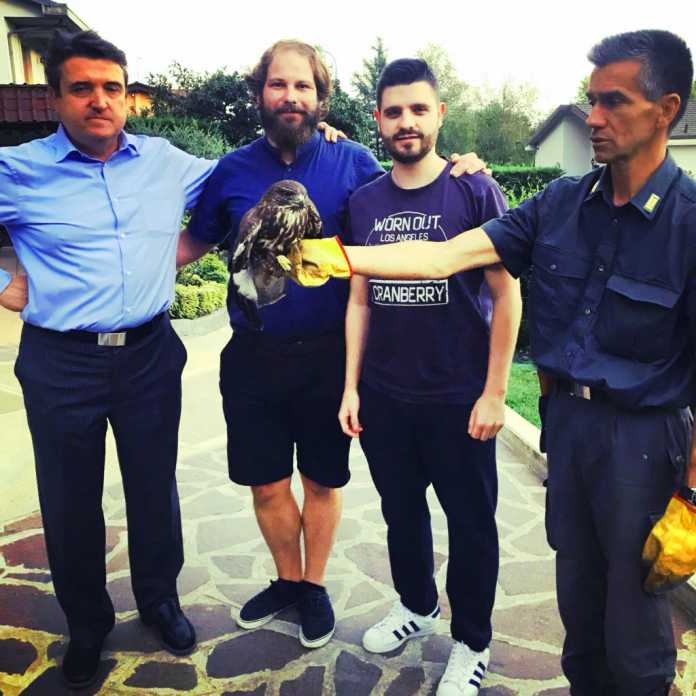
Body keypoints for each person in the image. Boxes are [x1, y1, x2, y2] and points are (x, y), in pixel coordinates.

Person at [335, 29, 695, 696]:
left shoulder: (690, 222)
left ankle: (505, 650)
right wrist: (331, 256)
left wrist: (693, 493)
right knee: (579, 607)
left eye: (613, 102)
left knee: (636, 618)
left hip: (644, 439)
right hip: (569, 428)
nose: (593, 117)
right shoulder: (559, 205)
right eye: (591, 99)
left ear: (666, 109)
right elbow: (444, 257)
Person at [177, 39, 486, 650]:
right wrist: (120, 265)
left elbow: (410, 189)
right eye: (279, 84)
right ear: (260, 93)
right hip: (252, 358)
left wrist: (461, 169)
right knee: (267, 484)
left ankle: (314, 586)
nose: (291, 96)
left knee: (321, 481)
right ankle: (287, 582)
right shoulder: (231, 170)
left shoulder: (353, 163)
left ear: (321, 98)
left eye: (304, 86)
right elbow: (196, 241)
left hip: (327, 356)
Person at [0, 30, 217, 688]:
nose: (100, 100)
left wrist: (324, 143)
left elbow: (241, 184)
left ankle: (159, 601)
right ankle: (88, 625)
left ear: (127, 97)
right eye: (82, 88)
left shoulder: (165, 162)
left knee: (154, 488)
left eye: (112, 88)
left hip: (149, 354)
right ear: (55, 98)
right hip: (60, 362)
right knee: (69, 501)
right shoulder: (18, 168)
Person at [338, 58, 520, 696]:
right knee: (401, 513)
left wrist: (495, 391)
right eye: (394, 111)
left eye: (419, 109)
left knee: (471, 523)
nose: (406, 122)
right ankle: (416, 605)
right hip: (387, 396)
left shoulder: (475, 190)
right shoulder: (363, 202)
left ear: (440, 114)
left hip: (459, 396)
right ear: (379, 120)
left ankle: (472, 640)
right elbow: (358, 299)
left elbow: (507, 295)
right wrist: (351, 386)